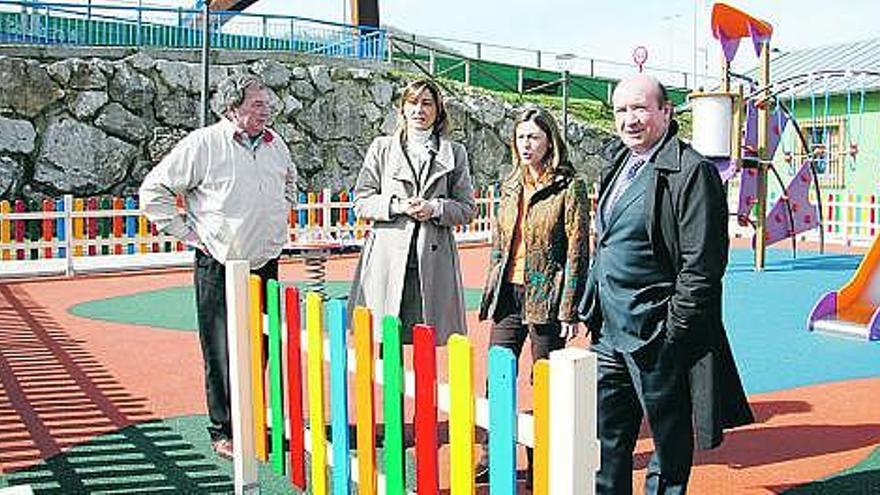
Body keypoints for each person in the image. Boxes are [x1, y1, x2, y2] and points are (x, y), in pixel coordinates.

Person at [578, 73, 754, 494]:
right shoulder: (619, 163)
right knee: (608, 441)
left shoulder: (692, 171)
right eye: (622, 110)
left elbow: (703, 267)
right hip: (608, 331)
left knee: (669, 445)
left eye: (640, 108)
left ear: (666, 111)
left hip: (656, 333)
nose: (630, 119)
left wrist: (672, 333)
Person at [139, 73, 297, 460]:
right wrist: (191, 235)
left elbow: (290, 184)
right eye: (258, 104)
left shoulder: (277, 145)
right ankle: (224, 429)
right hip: (220, 264)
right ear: (232, 107)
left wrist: (280, 217)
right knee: (221, 350)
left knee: (259, 346)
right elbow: (153, 192)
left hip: (265, 263)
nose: (268, 110)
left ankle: (252, 419)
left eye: (268, 103)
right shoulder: (204, 144)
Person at [476, 105, 590, 484]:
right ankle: (494, 454)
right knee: (498, 374)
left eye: (534, 137)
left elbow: (578, 248)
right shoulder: (510, 183)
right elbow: (500, 240)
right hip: (508, 293)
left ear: (550, 141)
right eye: (521, 136)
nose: (526, 144)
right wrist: (492, 286)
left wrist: (570, 308)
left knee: (545, 383)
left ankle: (543, 459)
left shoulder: (569, 186)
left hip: (548, 295)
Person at [348, 78, 476, 346]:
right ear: (403, 109)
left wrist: (435, 208)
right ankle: (390, 390)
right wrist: (397, 206)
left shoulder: (454, 152)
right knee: (384, 341)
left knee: (425, 343)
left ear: (438, 111)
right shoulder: (381, 148)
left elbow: (466, 209)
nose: (419, 109)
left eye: (427, 103)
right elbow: (361, 201)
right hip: (386, 260)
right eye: (413, 102)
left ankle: (421, 390)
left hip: (433, 262)